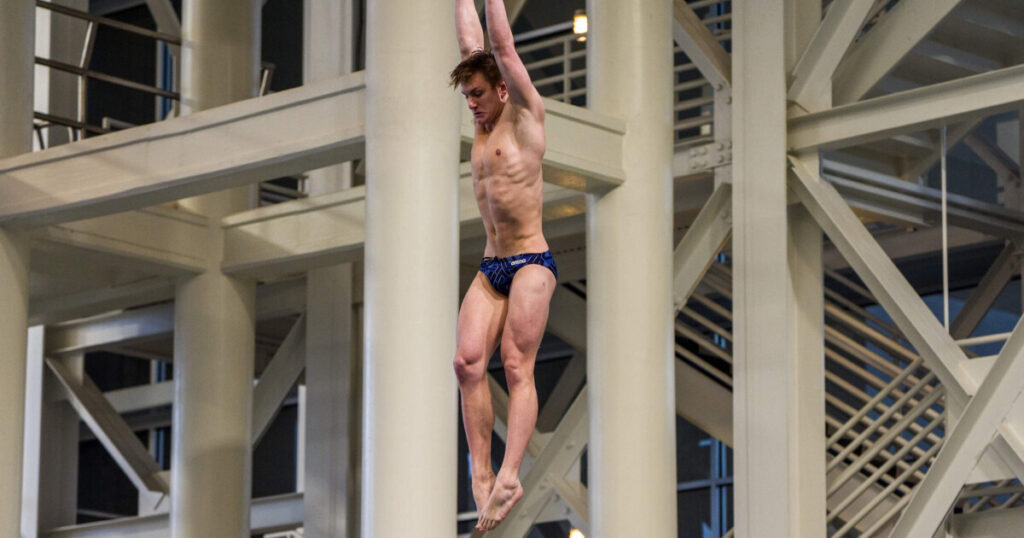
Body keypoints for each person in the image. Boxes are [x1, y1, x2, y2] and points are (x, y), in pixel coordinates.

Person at [451, 0, 557, 531]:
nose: (471, 104)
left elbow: (501, 47)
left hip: (531, 262)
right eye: (466, 96)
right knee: (467, 363)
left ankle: (511, 475)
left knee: (516, 366)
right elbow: (471, 45)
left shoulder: (524, 116)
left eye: (477, 94)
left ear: (502, 89)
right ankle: (481, 472)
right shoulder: (483, 121)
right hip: (492, 264)